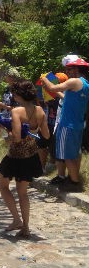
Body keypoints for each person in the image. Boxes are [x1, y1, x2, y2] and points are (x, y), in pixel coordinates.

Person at [0, 80, 50, 237]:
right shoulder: (40, 110)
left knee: (3, 185)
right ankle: (25, 227)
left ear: (18, 95)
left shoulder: (16, 112)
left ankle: (16, 219)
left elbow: (17, 138)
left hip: (15, 155)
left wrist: (7, 130)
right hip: (31, 155)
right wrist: (33, 131)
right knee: (23, 192)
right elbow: (46, 135)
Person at [41, 55, 89, 192]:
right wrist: (57, 94)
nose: (67, 71)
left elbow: (52, 86)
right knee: (74, 154)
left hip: (67, 124)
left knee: (66, 155)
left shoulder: (74, 81)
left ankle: (73, 183)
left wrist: (44, 78)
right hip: (77, 124)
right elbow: (67, 98)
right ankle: (73, 179)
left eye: (69, 69)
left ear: (76, 70)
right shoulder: (85, 84)